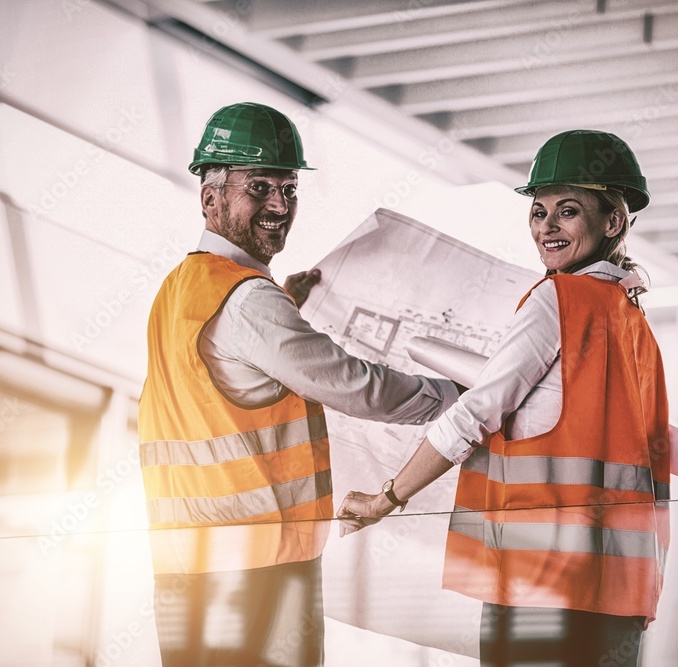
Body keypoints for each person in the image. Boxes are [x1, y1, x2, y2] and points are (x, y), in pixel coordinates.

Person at [137, 102, 459, 667]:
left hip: (188, 565)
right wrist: (462, 398)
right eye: (258, 187)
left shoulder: (181, 288)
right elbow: (358, 388)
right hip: (258, 567)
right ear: (210, 198)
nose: (279, 205)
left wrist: (280, 302)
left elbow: (225, 377)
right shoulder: (246, 300)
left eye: (288, 189)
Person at [338, 130, 670, 667]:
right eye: (539, 212)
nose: (547, 227)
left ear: (613, 222)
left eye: (567, 211)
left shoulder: (558, 300)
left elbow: (473, 414)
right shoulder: (634, 324)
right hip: (617, 592)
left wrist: (387, 498)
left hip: (537, 580)